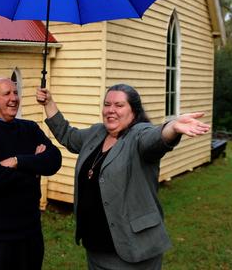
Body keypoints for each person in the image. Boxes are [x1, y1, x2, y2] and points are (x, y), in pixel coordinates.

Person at [36, 84, 210, 270]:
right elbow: (68, 135)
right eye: (107, 104)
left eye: (119, 105)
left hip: (132, 250)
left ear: (134, 111)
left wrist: (172, 128)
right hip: (96, 246)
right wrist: (49, 103)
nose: (111, 110)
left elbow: (155, 140)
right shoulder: (97, 133)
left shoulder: (138, 135)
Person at [0, 77, 62, 270]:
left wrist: (18, 161)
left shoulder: (30, 129)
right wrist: (34, 168)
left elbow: (54, 160)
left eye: (16, 92)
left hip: (29, 233)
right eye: (7, 93)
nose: (14, 98)